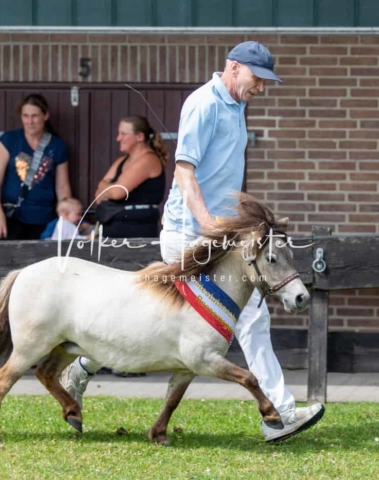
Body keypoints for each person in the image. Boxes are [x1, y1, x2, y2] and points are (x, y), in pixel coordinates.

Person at [62, 41, 324, 443]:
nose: (262, 89)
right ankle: (279, 415)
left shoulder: (236, 105)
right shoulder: (204, 104)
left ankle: (82, 366)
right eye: (258, 79)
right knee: (248, 316)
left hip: (219, 234)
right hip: (191, 233)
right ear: (234, 68)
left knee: (176, 323)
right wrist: (206, 223)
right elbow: (185, 171)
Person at [0, 93, 72, 240]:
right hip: (12, 218)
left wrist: (66, 218)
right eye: (25, 116)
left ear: (45, 116)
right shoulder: (9, 140)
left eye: (35, 116)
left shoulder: (57, 146)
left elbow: (62, 187)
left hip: (44, 219)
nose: (29, 121)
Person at [93, 115, 167, 239]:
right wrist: (106, 188)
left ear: (139, 137)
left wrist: (103, 185)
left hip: (136, 230)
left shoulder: (149, 160)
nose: (118, 138)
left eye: (123, 134)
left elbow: (118, 192)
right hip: (112, 229)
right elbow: (98, 196)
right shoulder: (121, 161)